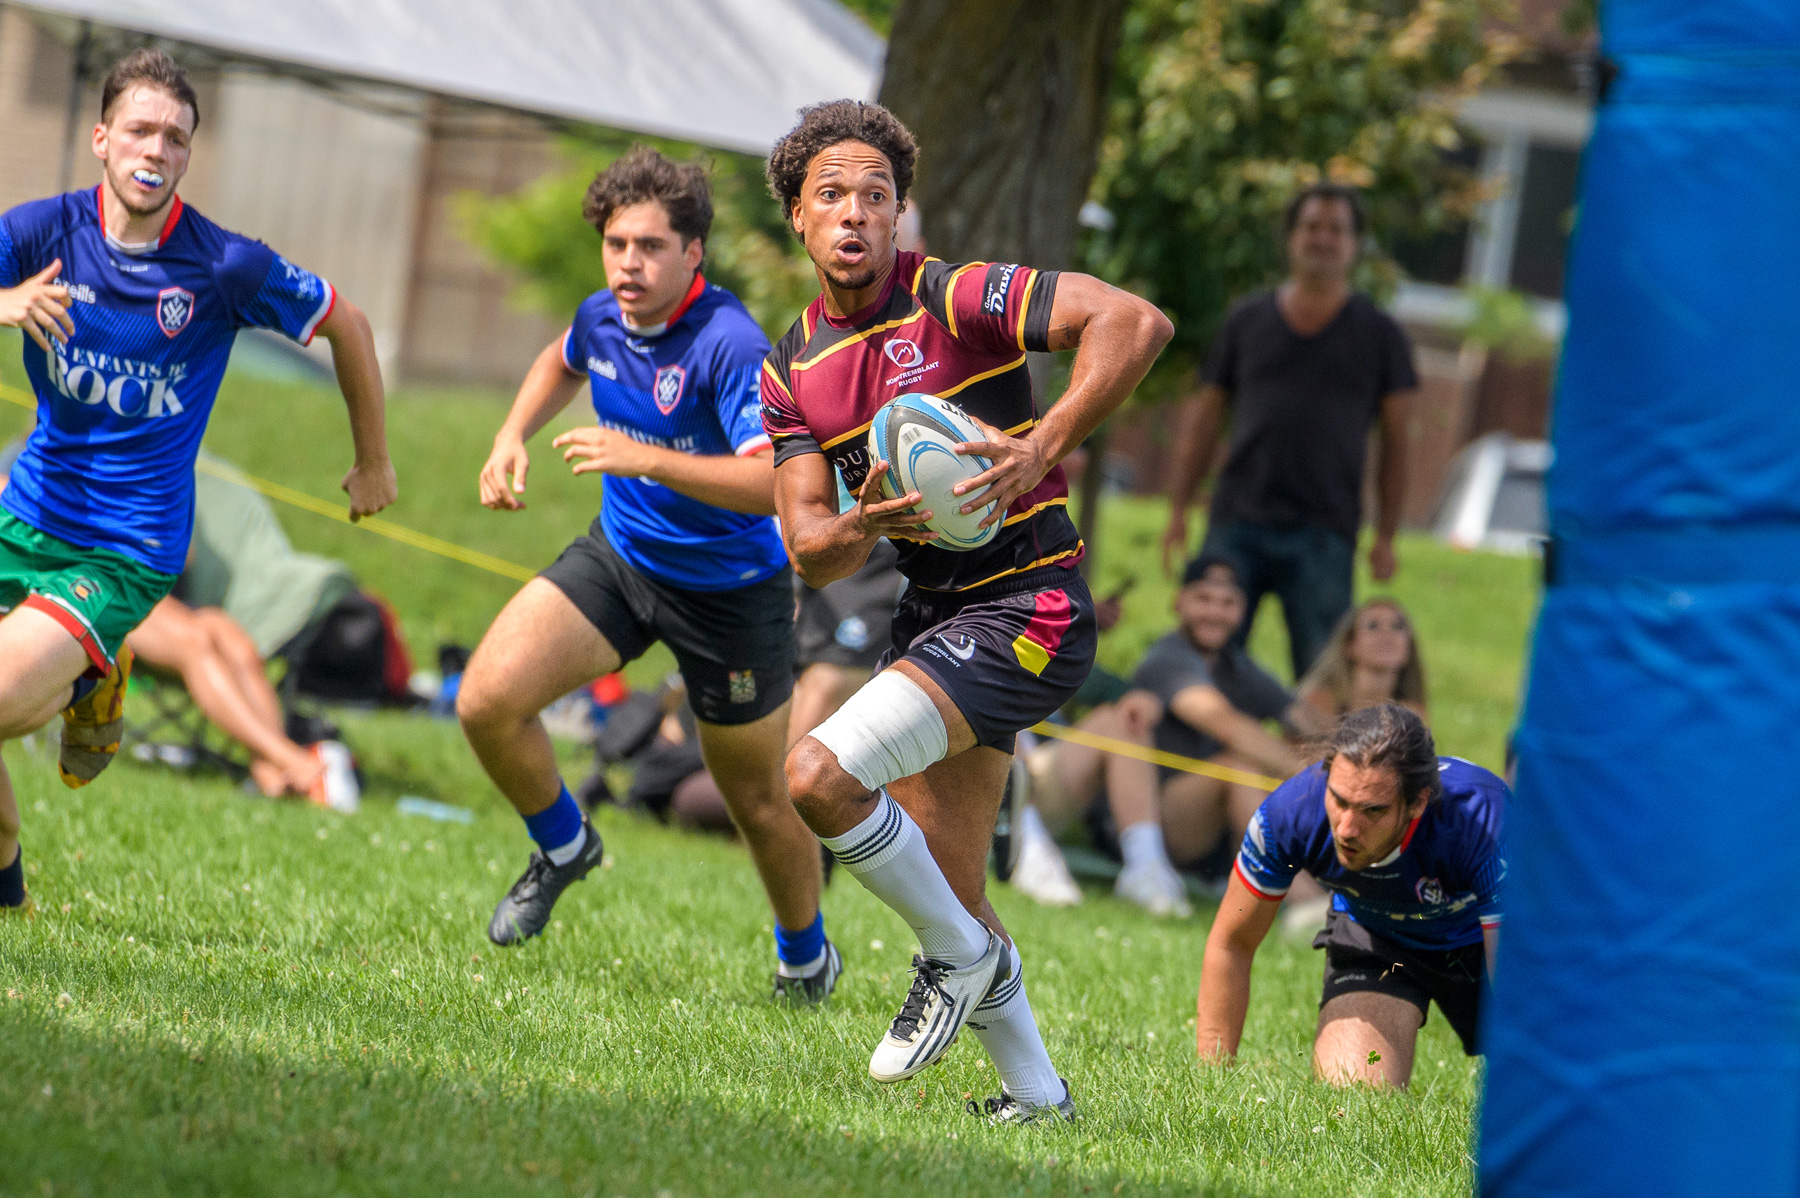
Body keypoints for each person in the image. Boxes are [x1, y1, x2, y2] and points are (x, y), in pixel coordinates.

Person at [763, 99, 1173, 1123]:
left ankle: (958, 958)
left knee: (816, 773)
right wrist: (864, 519)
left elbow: (1135, 321)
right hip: (935, 613)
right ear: (799, 222)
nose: (857, 213)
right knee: (952, 884)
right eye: (832, 197)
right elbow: (808, 549)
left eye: (877, 195)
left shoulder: (958, 294)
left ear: (902, 213)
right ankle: (1039, 1093)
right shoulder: (790, 370)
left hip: (1031, 601)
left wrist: (1045, 442)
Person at [0, 49, 394, 917]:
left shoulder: (221, 266)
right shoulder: (41, 232)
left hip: (125, 551)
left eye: (176, 138)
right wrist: (4, 303)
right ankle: (9, 897)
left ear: (187, 157)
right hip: (21, 517)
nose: (156, 149)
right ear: (101, 139)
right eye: (139, 129)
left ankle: (89, 672)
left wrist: (374, 461)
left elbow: (350, 324)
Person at [456, 146, 837, 1003]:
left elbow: (773, 489)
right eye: (617, 244)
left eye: (651, 247)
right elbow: (561, 358)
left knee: (757, 802)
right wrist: (509, 435)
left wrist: (647, 459)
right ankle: (564, 845)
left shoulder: (730, 345)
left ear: (694, 253)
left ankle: (806, 957)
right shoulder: (602, 316)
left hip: (732, 594)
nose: (630, 263)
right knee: (485, 700)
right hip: (623, 559)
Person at [1159, 183, 1419, 679]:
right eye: (1311, 227)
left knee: (1324, 673)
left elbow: (1398, 443)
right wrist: (1177, 509)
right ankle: (1209, 754)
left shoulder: (1382, 334)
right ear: (1291, 238)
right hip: (1237, 519)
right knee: (1208, 664)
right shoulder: (1246, 319)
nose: (1322, 239)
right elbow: (1204, 419)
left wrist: (1386, 534)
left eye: (1336, 229)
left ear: (1355, 244)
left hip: (1326, 529)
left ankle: (1317, 760)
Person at [1195, 703, 1506, 1087]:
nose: (1346, 828)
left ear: (1418, 803)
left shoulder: (1485, 822)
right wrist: (1211, 1082)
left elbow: (1518, 983)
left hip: (1484, 944)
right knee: (1355, 1097)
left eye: (1371, 811)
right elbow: (1232, 942)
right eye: (1339, 800)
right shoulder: (1289, 815)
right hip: (1377, 941)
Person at [1106, 555, 1327, 917]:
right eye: (1203, 599)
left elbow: (1301, 716)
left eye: (1227, 603)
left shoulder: (1236, 665)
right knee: (1236, 766)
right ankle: (1308, 904)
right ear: (1179, 602)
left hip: (1198, 826)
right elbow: (1226, 725)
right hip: (1144, 818)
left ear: (1242, 611)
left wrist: (1355, 756)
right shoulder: (1168, 657)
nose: (1215, 612)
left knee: (1274, 756)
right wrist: (1321, 778)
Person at [126, 595, 360, 810]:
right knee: (194, 640)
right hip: (112, 588)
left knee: (238, 645)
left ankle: (267, 772)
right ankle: (292, 760)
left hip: (163, 589)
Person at [1296, 597, 1428, 723]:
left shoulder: (1412, 713)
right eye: (1373, 626)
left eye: (1397, 626)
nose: (1386, 635)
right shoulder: (1318, 702)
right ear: (1349, 645)